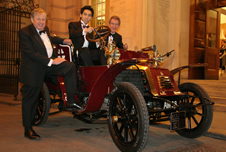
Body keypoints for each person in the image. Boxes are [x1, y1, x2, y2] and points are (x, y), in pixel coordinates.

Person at [19, 8, 79, 140]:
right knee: (31, 100)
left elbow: (49, 39)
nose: (41, 22)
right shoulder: (24, 32)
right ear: (32, 19)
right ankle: (28, 129)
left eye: (43, 19)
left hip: (48, 66)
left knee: (69, 66)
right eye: (38, 19)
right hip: (33, 69)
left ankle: (70, 101)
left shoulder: (45, 29)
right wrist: (52, 61)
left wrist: (63, 41)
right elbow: (31, 54)